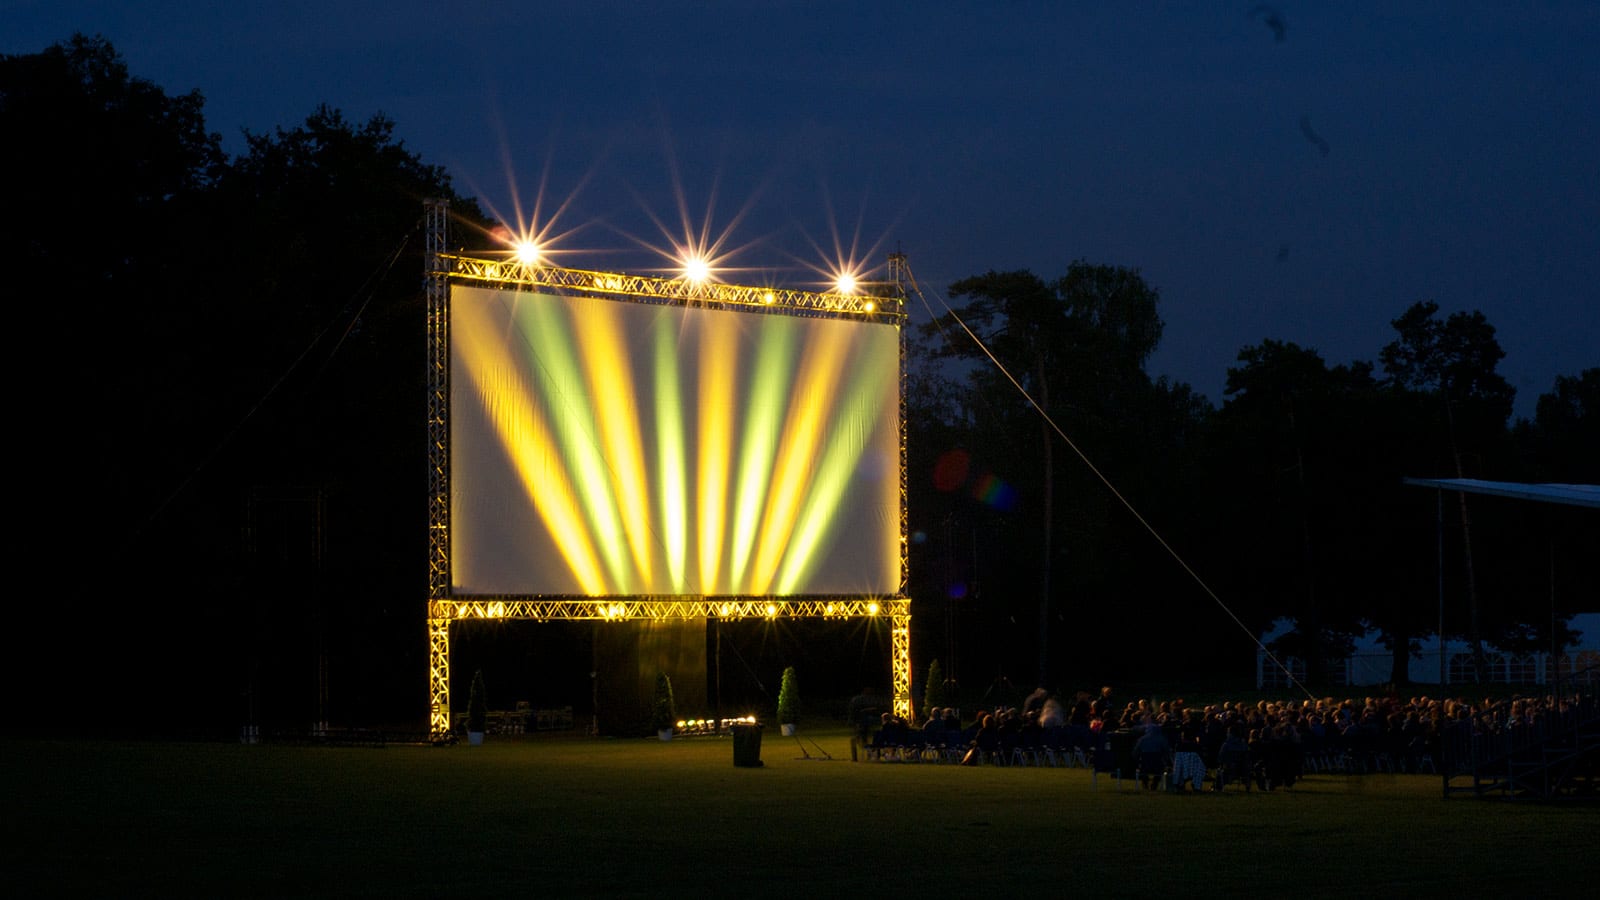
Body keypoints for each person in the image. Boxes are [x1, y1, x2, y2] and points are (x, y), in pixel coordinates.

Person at [846, 687, 884, 761]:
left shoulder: (856, 699)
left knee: (862, 737)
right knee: (866, 737)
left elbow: (852, 712)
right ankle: (868, 749)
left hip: (859, 722)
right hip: (862, 722)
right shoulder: (863, 700)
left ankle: (864, 748)